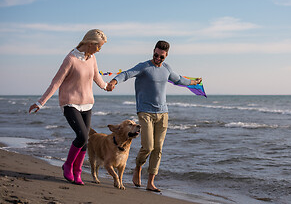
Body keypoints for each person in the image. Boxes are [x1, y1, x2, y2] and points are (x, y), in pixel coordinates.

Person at [107, 40, 202, 192]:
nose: (158, 58)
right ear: (153, 51)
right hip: (145, 112)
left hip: (163, 113)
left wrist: (194, 82)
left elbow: (179, 80)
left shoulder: (166, 68)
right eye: (156, 55)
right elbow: (126, 74)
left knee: (158, 148)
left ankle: (150, 182)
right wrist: (113, 81)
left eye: (161, 56)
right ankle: (138, 167)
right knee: (148, 146)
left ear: (166, 55)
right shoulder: (144, 67)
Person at [28, 29, 110, 185]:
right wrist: (40, 102)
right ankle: (68, 165)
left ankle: (77, 172)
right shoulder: (70, 59)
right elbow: (56, 82)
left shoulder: (91, 58)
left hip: (87, 103)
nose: (99, 50)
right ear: (91, 44)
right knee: (82, 136)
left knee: (85, 140)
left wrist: (106, 86)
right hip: (70, 103)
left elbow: (96, 76)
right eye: (98, 46)